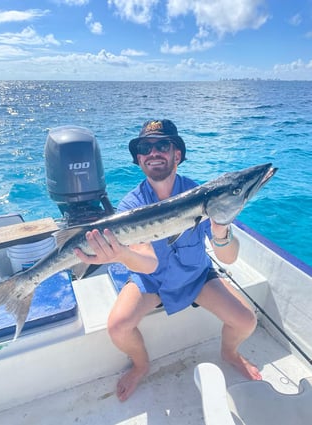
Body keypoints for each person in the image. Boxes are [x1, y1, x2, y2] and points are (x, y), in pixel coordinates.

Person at [75, 119, 262, 402]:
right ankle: (141, 364)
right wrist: (120, 254)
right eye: (145, 148)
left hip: (197, 277)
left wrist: (221, 227)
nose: (154, 152)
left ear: (177, 155)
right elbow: (148, 264)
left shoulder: (201, 194)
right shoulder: (130, 205)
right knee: (118, 327)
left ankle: (230, 353)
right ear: (139, 159)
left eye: (162, 145)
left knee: (246, 322)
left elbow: (228, 257)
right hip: (151, 281)